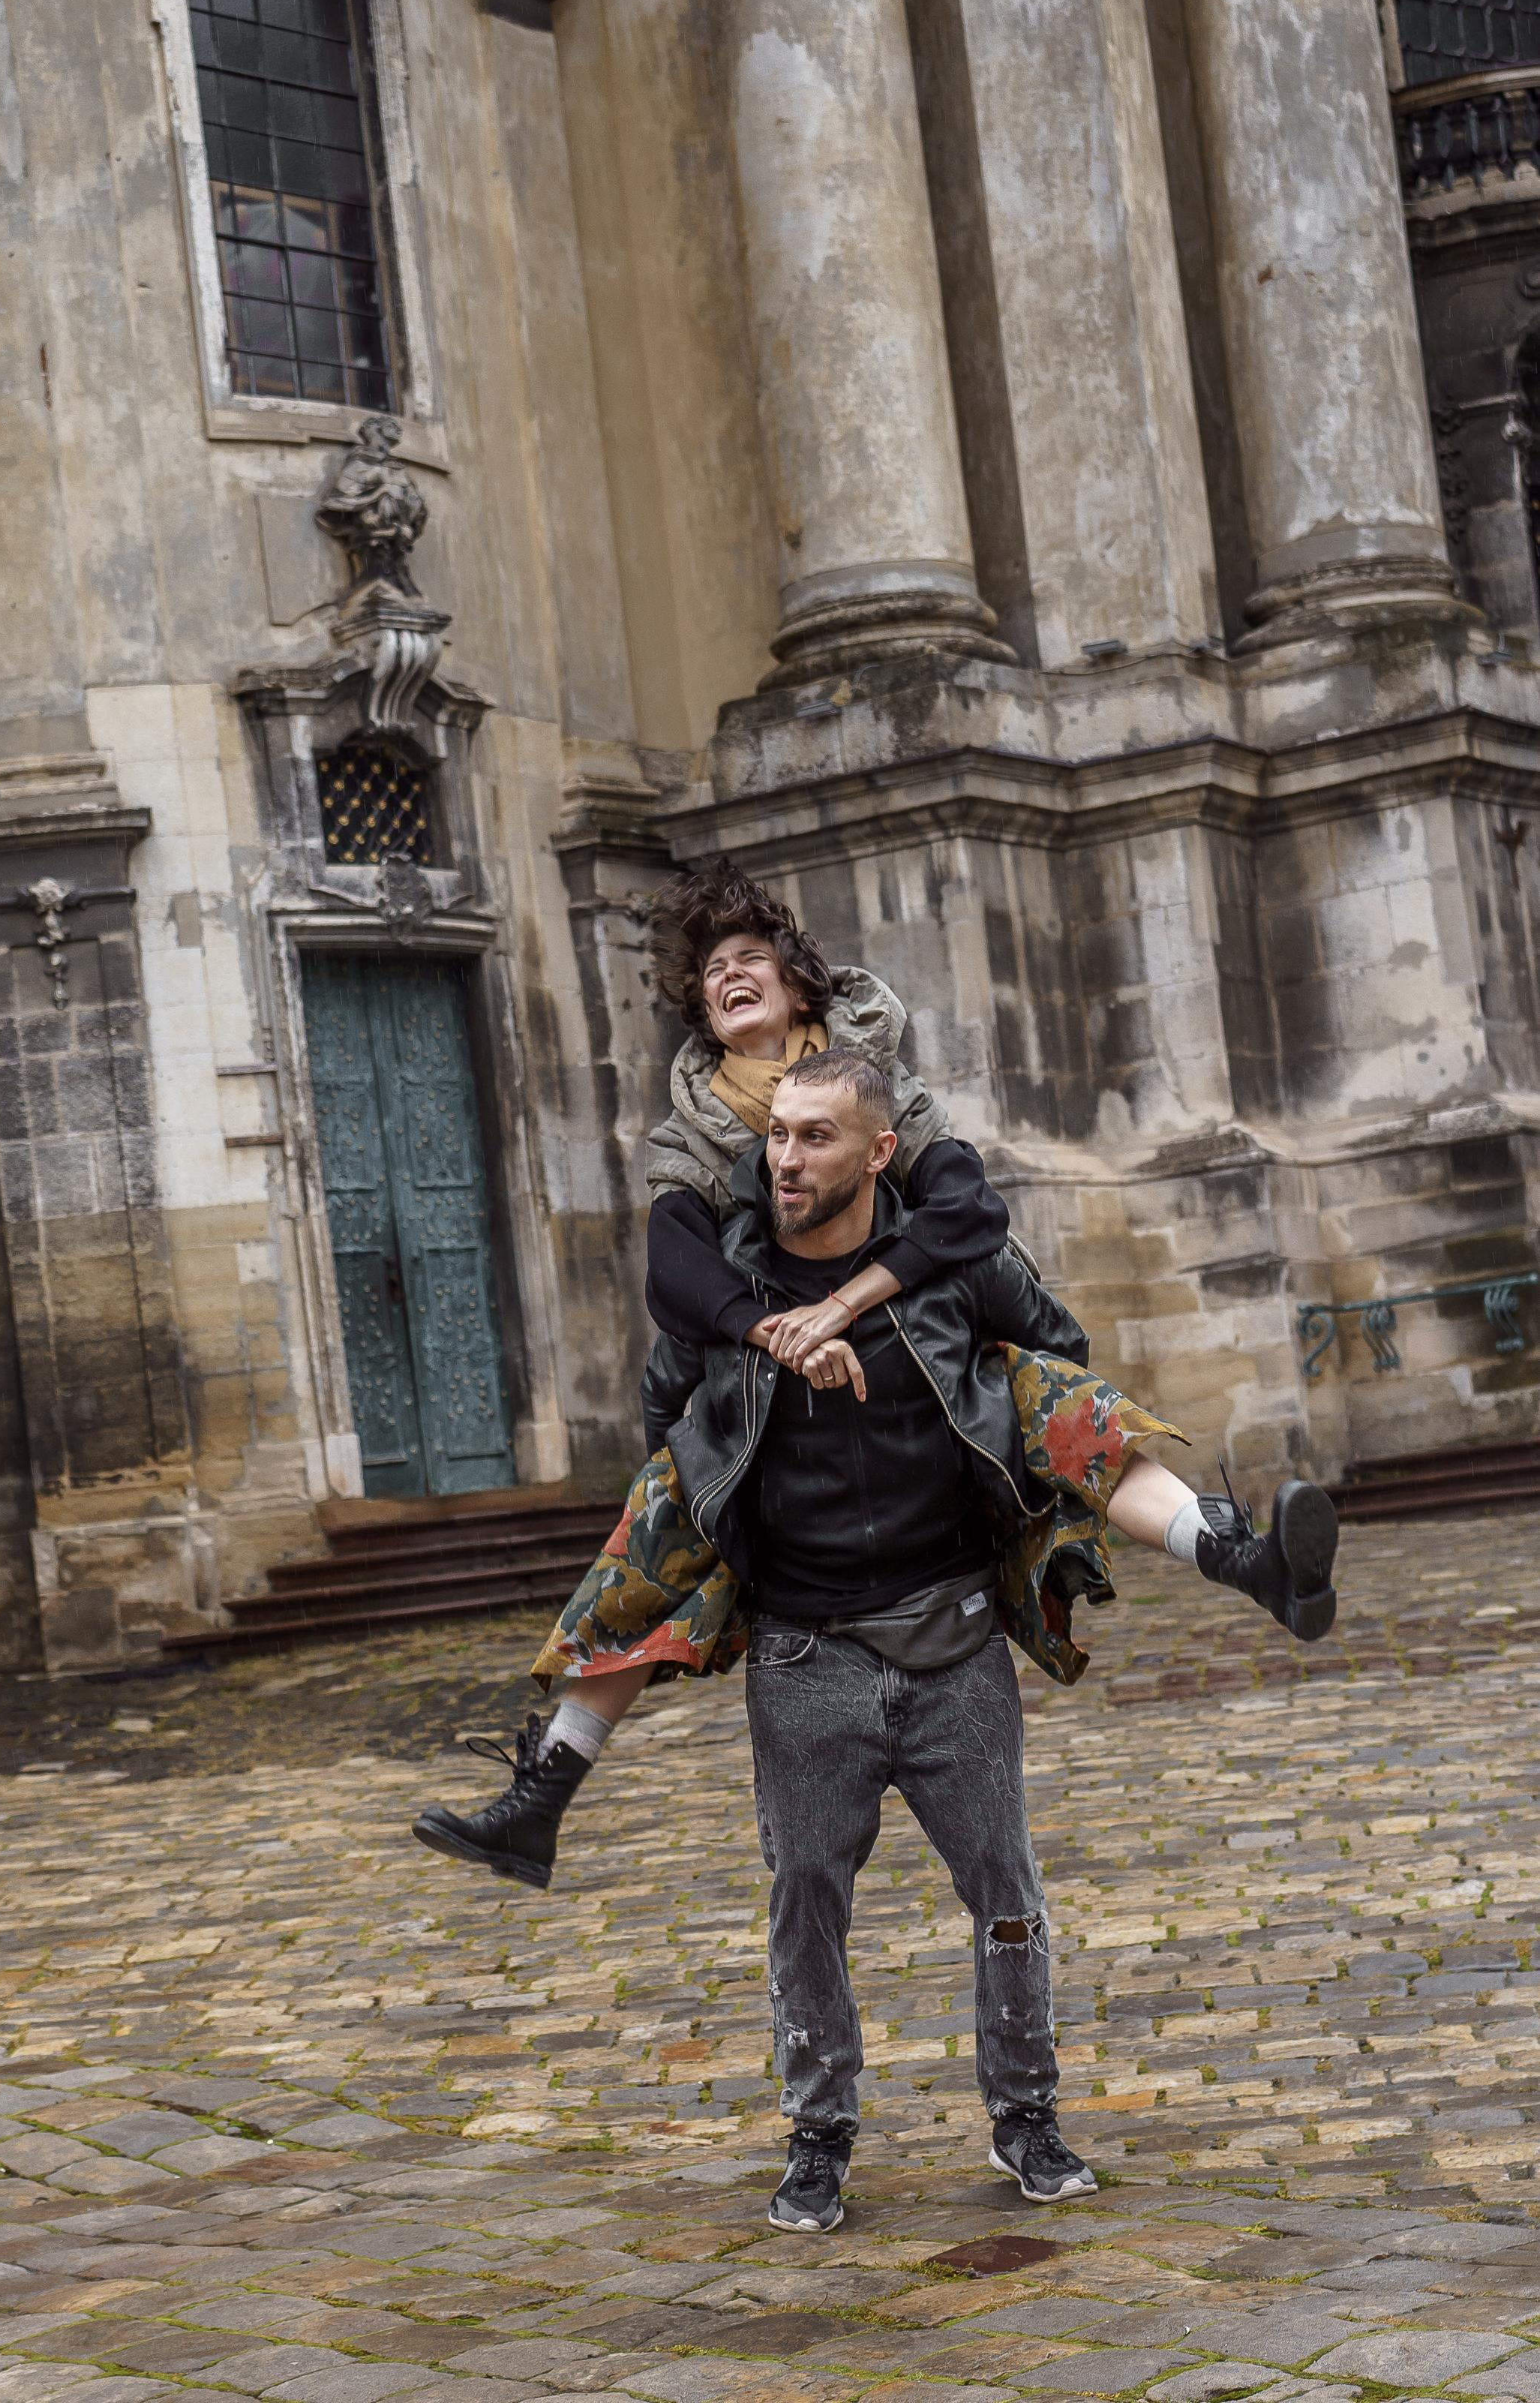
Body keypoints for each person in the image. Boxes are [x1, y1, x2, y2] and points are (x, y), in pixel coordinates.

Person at [413, 866, 1338, 1891]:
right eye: (711, 971)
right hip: (764, 1382)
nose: (728, 977)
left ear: (801, 984)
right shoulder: (689, 1138)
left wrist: (842, 1307)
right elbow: (676, 1278)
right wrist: (778, 1335)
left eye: (749, 960)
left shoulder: (880, 1086)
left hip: (927, 1352)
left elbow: (970, 1215)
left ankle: (1242, 1558)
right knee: (674, 1508)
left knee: (1060, 1414)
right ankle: (541, 1797)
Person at [656, 1045, 1094, 2221]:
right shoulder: (730, 1278)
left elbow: (1058, 1351)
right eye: (777, 1135)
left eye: (815, 1138)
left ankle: (1027, 2120)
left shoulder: (949, 1261)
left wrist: (1009, 1480)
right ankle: (819, 2131)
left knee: (1005, 1888)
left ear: (879, 1151)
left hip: (953, 1639)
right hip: (806, 1653)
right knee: (805, 1897)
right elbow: (669, 1411)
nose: (784, 1159)